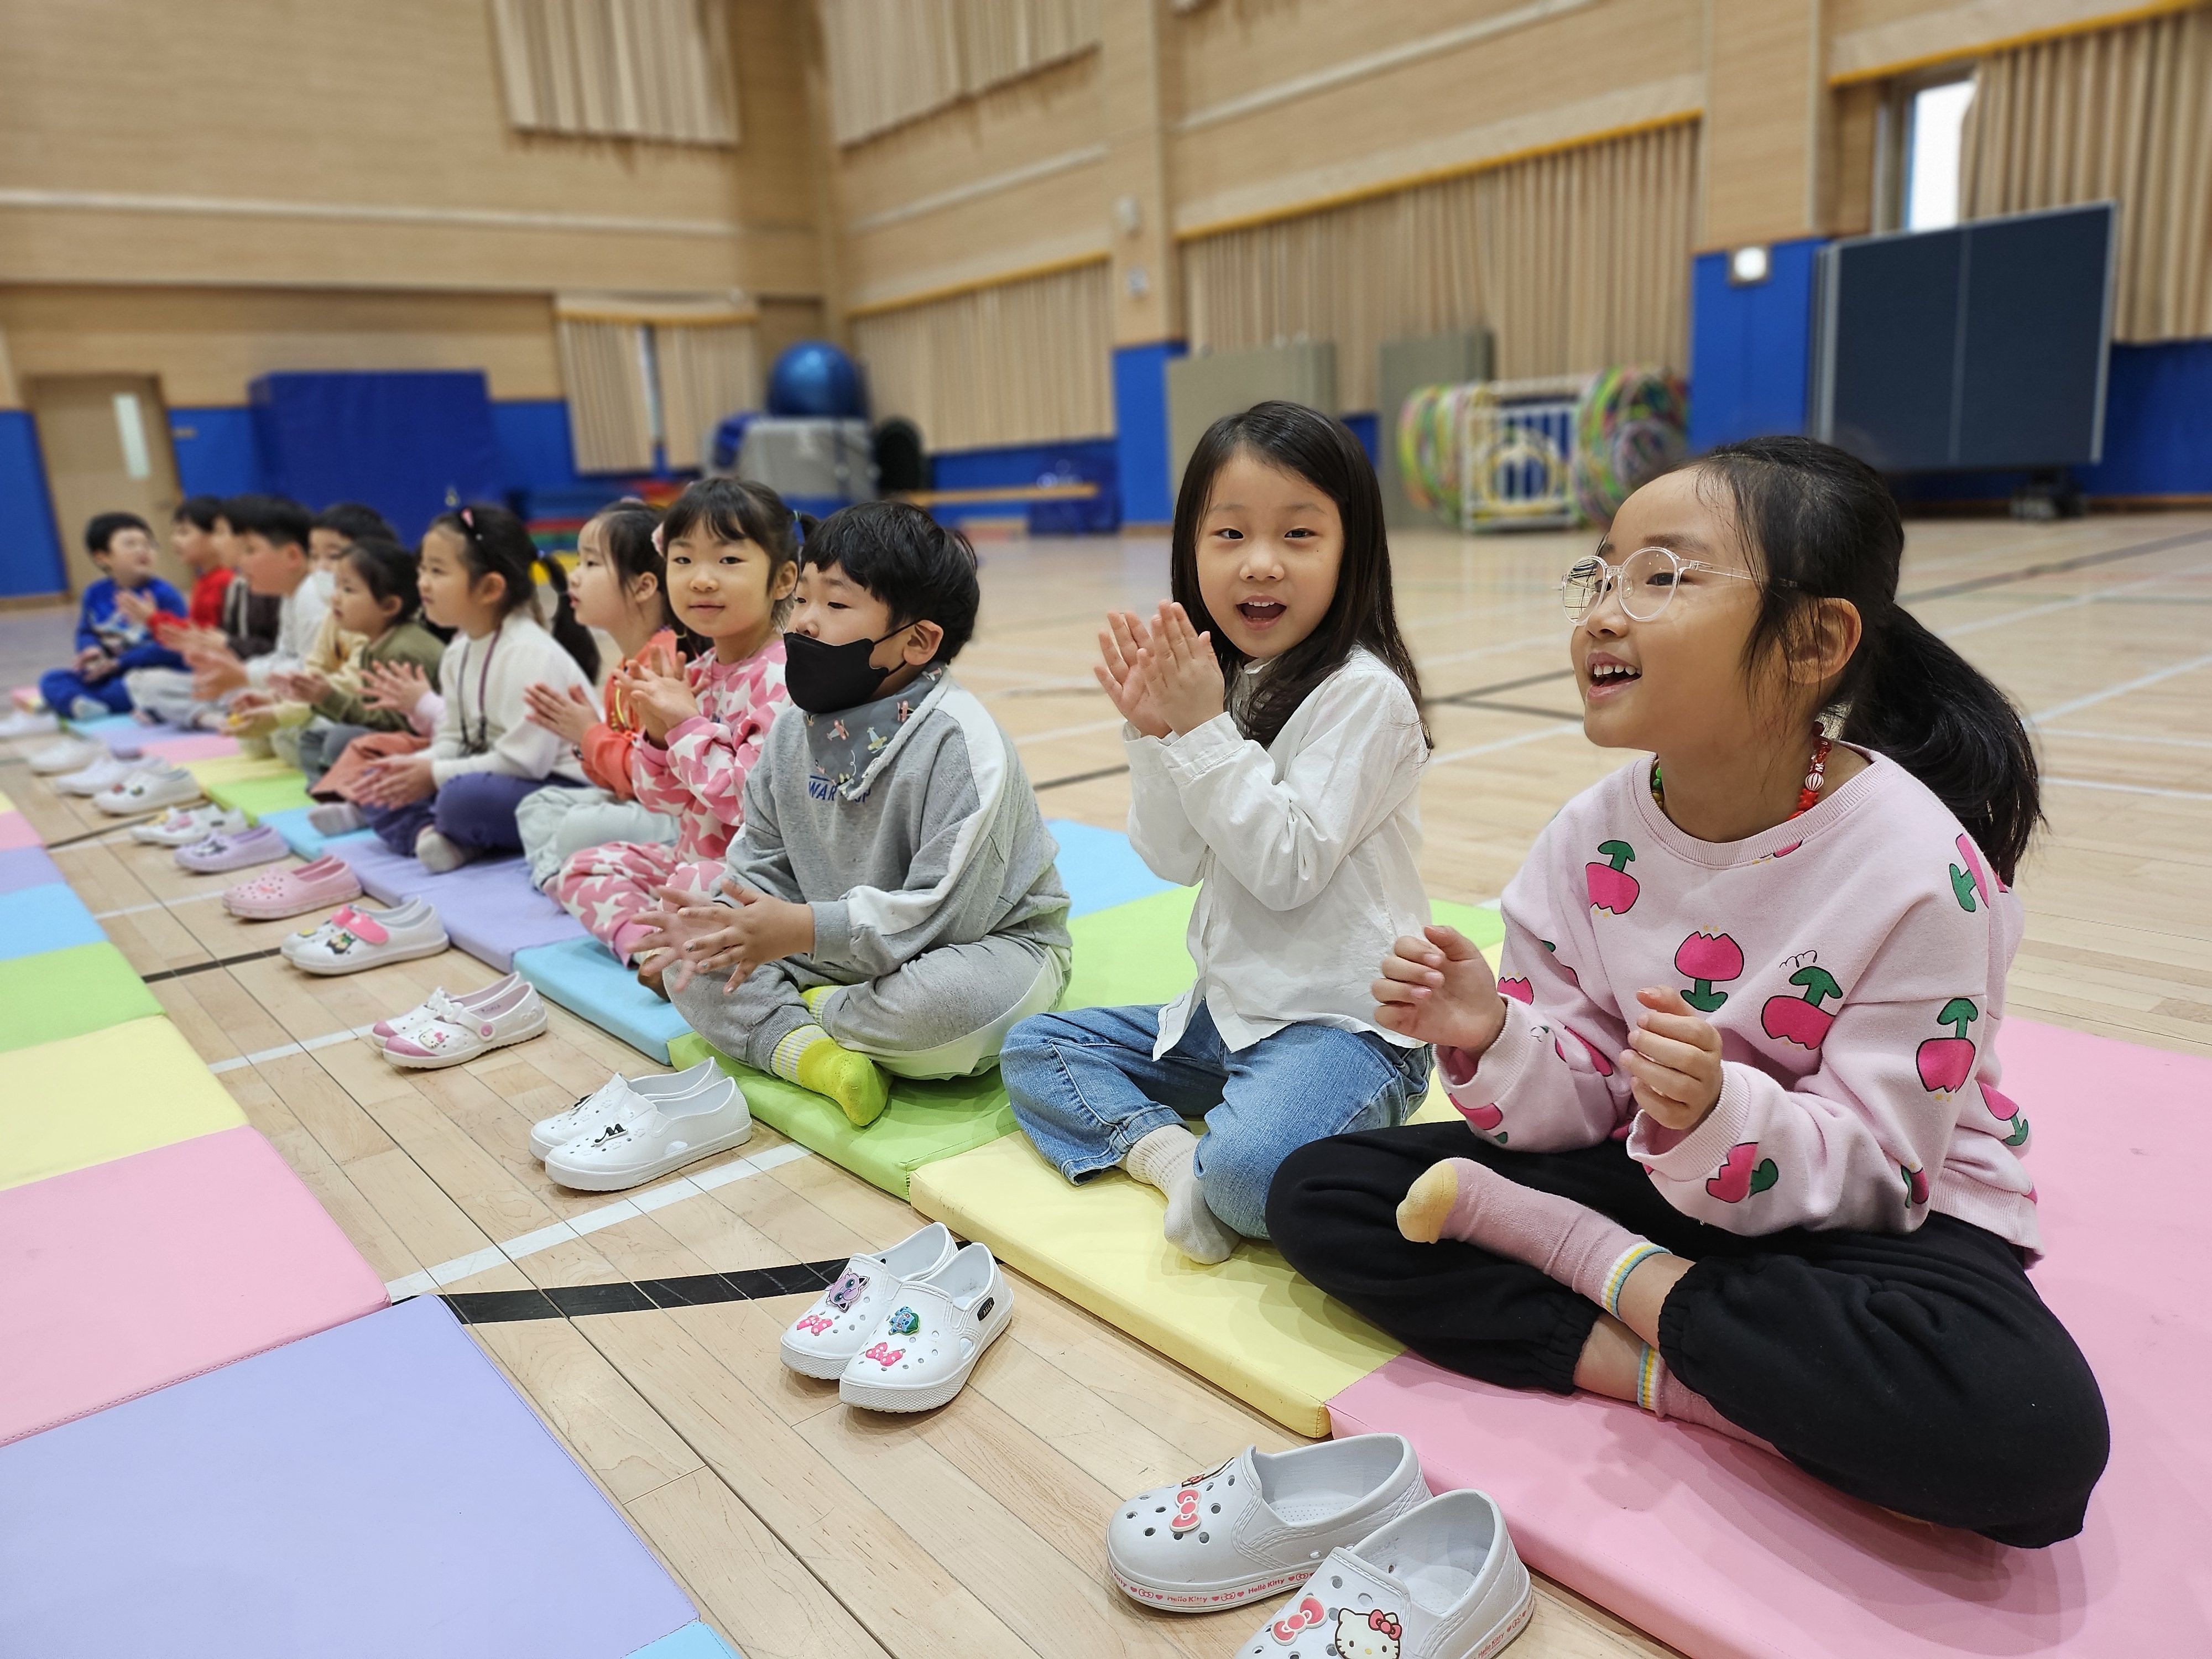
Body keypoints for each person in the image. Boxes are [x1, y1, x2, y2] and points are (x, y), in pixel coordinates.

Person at [1267, 435, 2109, 1548]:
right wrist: (1496, 1034)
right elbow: (1578, 1104)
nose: (1602, 614)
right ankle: (1696, 1370)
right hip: (1657, 1171)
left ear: (1813, 641)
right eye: (1600, 574)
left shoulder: (1920, 867)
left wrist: (1718, 1112)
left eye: (1660, 576)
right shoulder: (1589, 837)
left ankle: (1589, 1266)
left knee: (2031, 1435)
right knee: (1320, 1192)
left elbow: (1884, 1169)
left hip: (1867, 1208)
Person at [998, 401, 1435, 1264]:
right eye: (1229, 534)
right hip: (1231, 1015)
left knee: (1248, 1177)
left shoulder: (1365, 695)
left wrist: (1199, 730)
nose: (1260, 562)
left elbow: (1288, 868)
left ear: (1352, 550)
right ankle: (1170, 1159)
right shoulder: (1227, 681)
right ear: (1191, 550)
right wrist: (1155, 733)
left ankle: (1239, 1150)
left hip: (1346, 1029)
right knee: (1040, 1047)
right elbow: (1174, 860)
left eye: (1299, 535)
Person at [638, 501, 1070, 1128]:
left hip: (975, 947)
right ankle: (819, 1060)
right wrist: (732, 925)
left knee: (950, 1010)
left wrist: (801, 931)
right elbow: (759, 864)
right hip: (829, 944)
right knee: (695, 946)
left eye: (836, 604)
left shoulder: (961, 744)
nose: (804, 622)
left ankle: (804, 1014)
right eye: (803, 599)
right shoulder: (793, 729)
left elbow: (947, 914)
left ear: (918, 641)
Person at [551, 479, 794, 994]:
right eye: (683, 560)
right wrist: (659, 739)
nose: (701, 580)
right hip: (692, 859)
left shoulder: (784, 676)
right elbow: (661, 800)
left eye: (728, 560)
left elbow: (747, 804)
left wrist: (685, 726)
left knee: (691, 888)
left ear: (782, 580)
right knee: (581, 869)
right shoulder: (696, 672)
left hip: (760, 881)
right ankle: (655, 950)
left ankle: (686, 951)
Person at [351, 504, 598, 872]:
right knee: (380, 778)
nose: (423, 583)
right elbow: (453, 736)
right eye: (422, 569)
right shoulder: (459, 650)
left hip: (558, 787)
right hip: (495, 774)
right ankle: (431, 836)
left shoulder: (529, 654)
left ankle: (457, 833)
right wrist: (417, 767)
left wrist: (432, 775)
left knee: (462, 800)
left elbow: (525, 763)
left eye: (437, 571)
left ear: (489, 588)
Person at [514, 501, 683, 889]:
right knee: (537, 805)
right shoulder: (624, 668)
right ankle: (557, 874)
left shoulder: (663, 662)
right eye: (579, 563)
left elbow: (653, 780)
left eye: (591, 564)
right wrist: (583, 741)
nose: (574, 577)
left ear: (643, 586)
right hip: (635, 805)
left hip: (674, 817)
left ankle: (563, 872)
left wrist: (589, 734)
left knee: (580, 826)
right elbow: (615, 783)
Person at [262, 536, 447, 786]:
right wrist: (314, 695)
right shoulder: (376, 642)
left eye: (348, 590)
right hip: (392, 739)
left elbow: (394, 726)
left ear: (389, 605)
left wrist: (328, 698)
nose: (335, 598)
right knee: (313, 739)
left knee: (341, 739)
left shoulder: (402, 651)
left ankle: (351, 793)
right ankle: (332, 792)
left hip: (429, 746)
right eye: (336, 587)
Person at [37, 512, 186, 718]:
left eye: (148, 544)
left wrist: (122, 663)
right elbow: (86, 631)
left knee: (130, 689)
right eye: (131, 544)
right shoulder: (94, 593)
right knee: (52, 679)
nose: (142, 550)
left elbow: (176, 646)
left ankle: (80, 702)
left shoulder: (164, 594)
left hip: (150, 673)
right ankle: (82, 703)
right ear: (103, 557)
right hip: (110, 671)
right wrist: (90, 649)